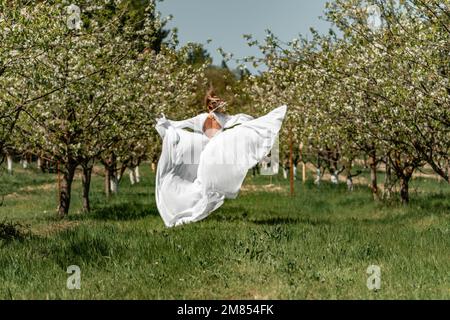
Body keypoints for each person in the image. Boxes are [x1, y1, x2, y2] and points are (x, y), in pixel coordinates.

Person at [155, 88, 287, 227]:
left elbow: (239, 119)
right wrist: (167, 123)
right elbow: (182, 123)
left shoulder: (224, 118)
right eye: (215, 103)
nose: (218, 105)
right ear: (209, 105)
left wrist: (255, 122)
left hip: (218, 156)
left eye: (218, 102)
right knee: (202, 188)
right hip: (204, 156)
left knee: (210, 184)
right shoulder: (201, 118)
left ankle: (202, 206)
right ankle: (191, 211)